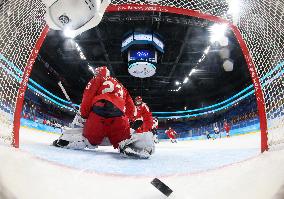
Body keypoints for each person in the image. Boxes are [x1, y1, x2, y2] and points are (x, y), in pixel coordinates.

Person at [53, 66, 155, 159]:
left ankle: (66, 140)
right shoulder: (121, 86)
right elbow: (131, 108)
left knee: (90, 139)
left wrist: (84, 115)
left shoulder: (96, 79)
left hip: (99, 112)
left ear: (99, 73)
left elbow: (87, 99)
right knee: (121, 139)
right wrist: (130, 120)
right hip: (119, 115)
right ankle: (128, 145)